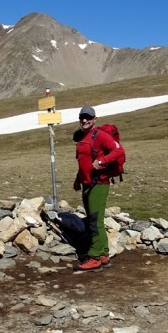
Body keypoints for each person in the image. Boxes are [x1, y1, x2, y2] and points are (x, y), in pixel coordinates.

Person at [72, 106, 123, 271]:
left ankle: (94, 258)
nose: (84, 120)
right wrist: (78, 179)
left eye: (88, 117)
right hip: (87, 184)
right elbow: (83, 162)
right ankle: (103, 254)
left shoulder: (100, 135)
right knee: (95, 221)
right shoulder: (83, 137)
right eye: (82, 117)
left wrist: (102, 162)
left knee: (94, 221)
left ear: (94, 119)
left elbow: (118, 150)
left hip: (99, 184)